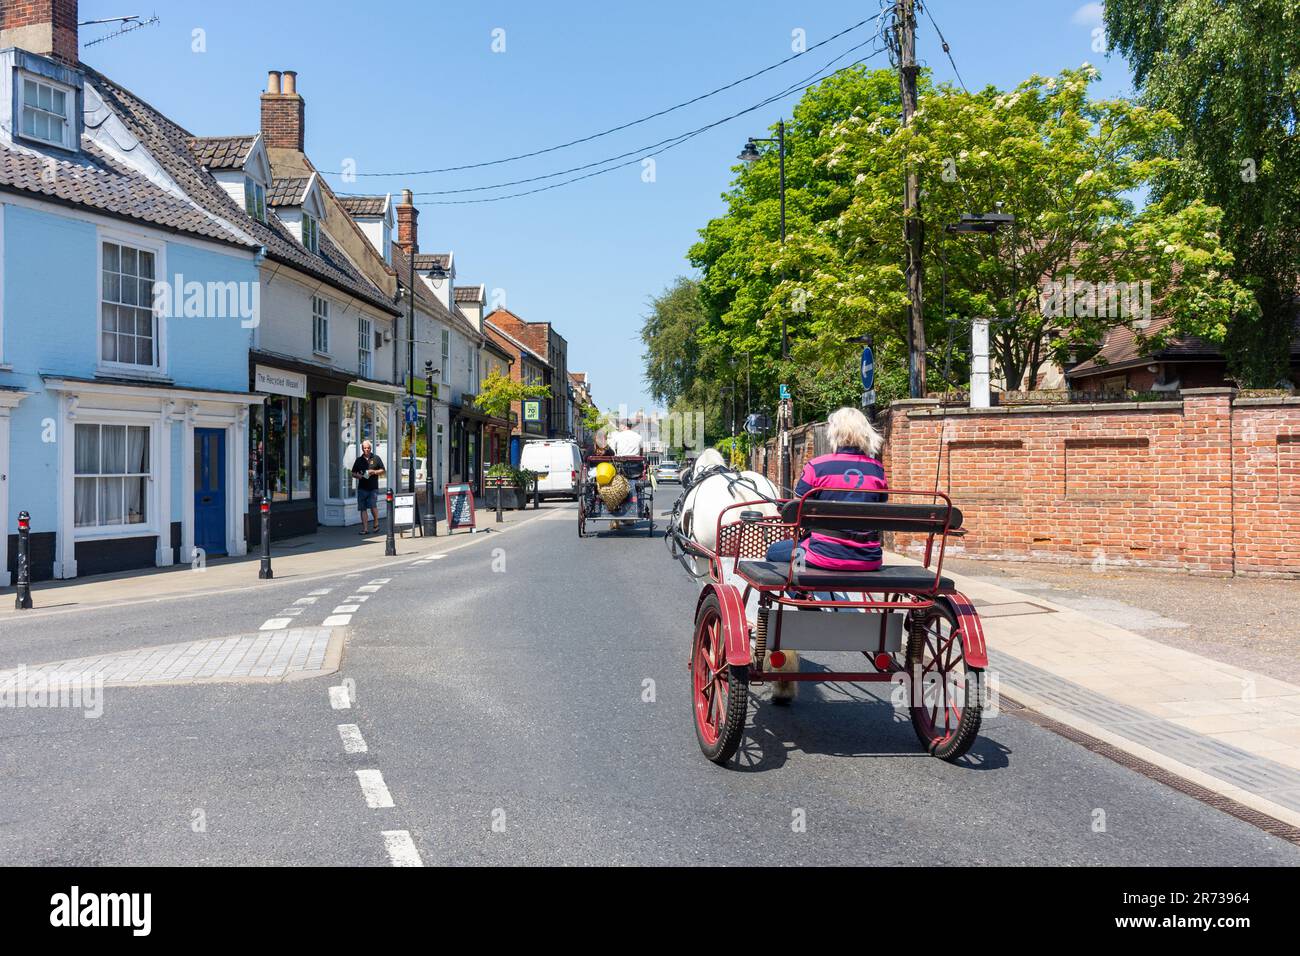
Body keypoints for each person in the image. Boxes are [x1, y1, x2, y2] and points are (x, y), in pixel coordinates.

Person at [766, 406, 887, 572]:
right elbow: (880, 509)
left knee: (773, 552)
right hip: (869, 558)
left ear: (833, 433)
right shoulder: (877, 470)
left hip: (822, 555)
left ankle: (799, 586)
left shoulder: (817, 466)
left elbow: (797, 508)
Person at [351, 439, 386, 534]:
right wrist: (357, 475)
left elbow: (383, 470)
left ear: (370, 448)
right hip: (362, 487)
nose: (367, 449)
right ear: (362, 449)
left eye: (368, 448)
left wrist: (374, 472)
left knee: (372, 506)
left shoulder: (376, 458)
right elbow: (353, 472)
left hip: (373, 487)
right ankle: (365, 529)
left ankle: (376, 522)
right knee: (363, 508)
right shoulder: (359, 460)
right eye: (365, 448)